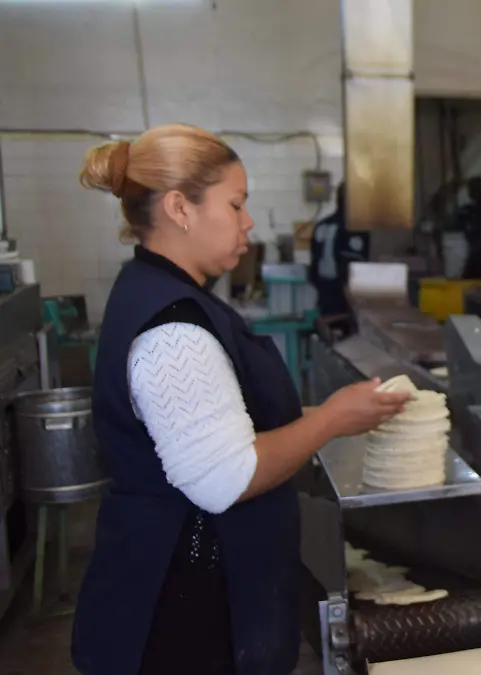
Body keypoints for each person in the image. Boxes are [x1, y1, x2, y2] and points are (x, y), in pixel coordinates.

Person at [71, 124, 410, 675]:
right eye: (235, 204)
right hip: (183, 618)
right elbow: (225, 478)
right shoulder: (173, 331)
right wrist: (329, 420)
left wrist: (340, 416)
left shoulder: (163, 292)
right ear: (180, 208)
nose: (247, 221)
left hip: (200, 597)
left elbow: (224, 426)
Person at [309, 181, 370, 318]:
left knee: (330, 327)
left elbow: (313, 264)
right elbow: (351, 269)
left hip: (324, 295)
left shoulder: (321, 225)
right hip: (348, 301)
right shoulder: (357, 229)